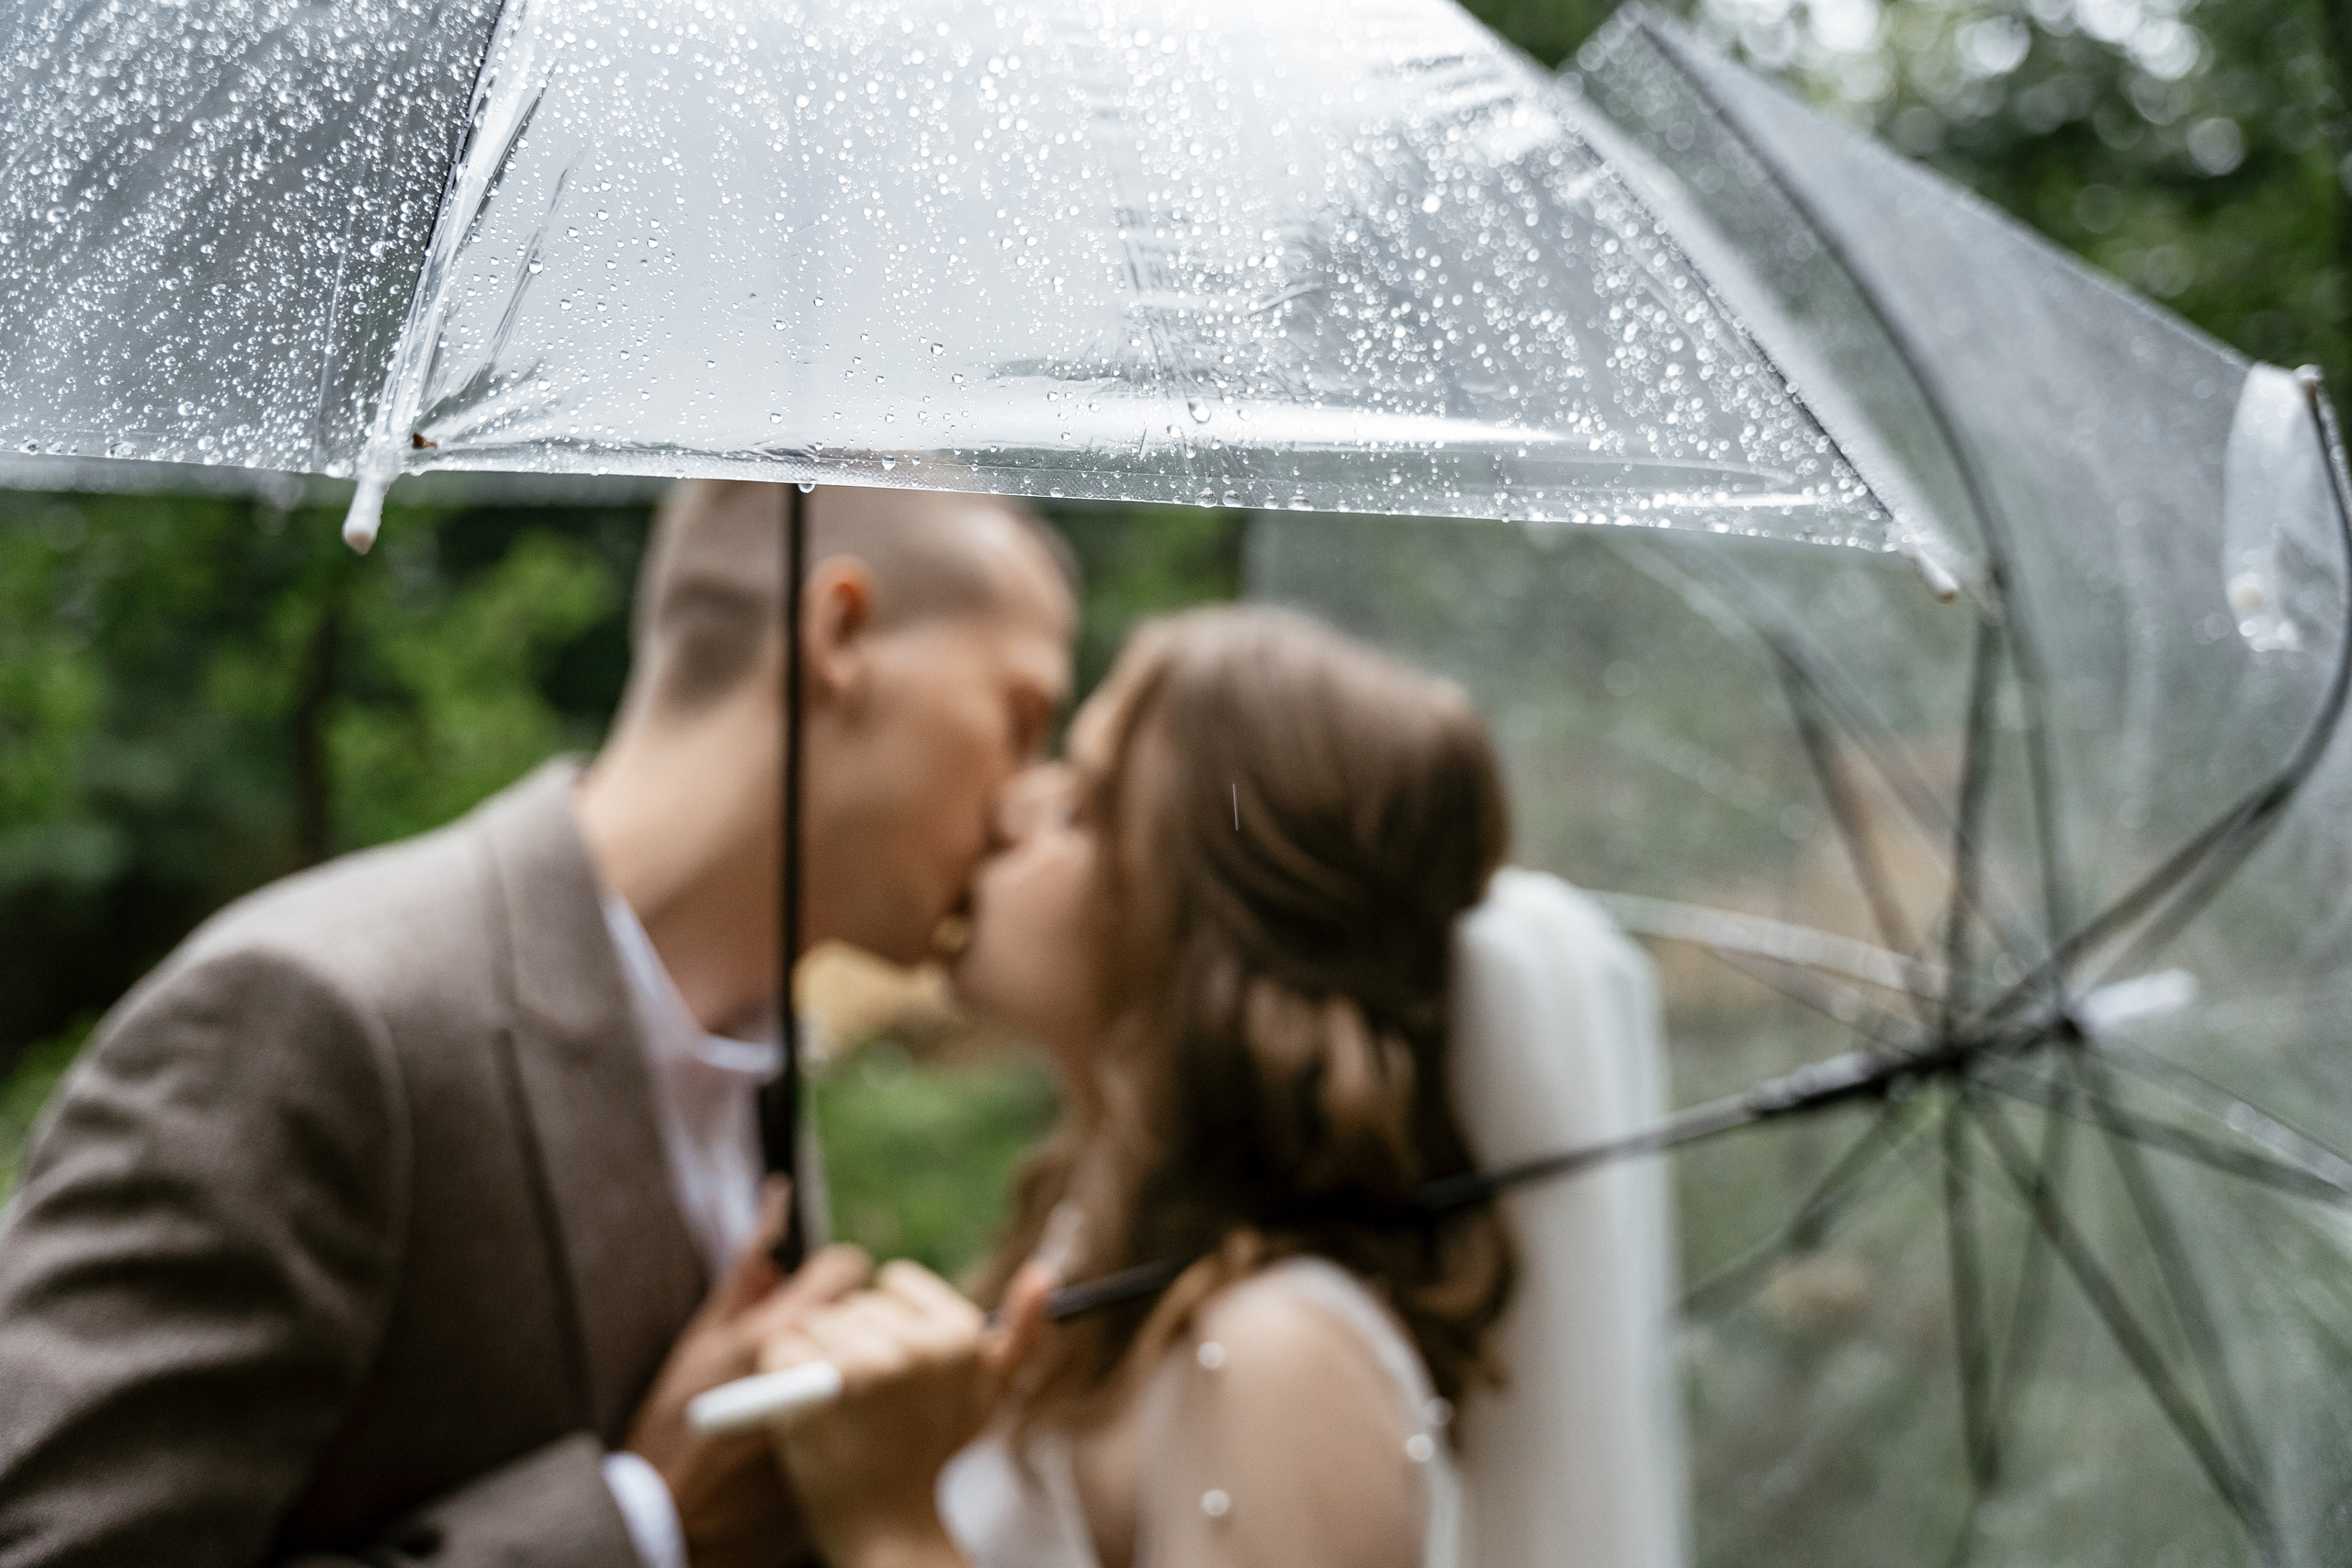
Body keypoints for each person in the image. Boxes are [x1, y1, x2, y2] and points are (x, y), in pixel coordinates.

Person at [0, 479, 1077, 1568]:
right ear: (839, 633)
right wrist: (638, 1519)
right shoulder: (311, 1016)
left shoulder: (759, 1068)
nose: (1023, 806)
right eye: (1022, 718)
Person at [757, 606, 1519, 1568]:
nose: (1006, 812)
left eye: (1080, 806)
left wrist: (894, 1530)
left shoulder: (1280, 1362)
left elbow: (905, 1529)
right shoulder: (1085, 1252)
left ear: (1199, 925)